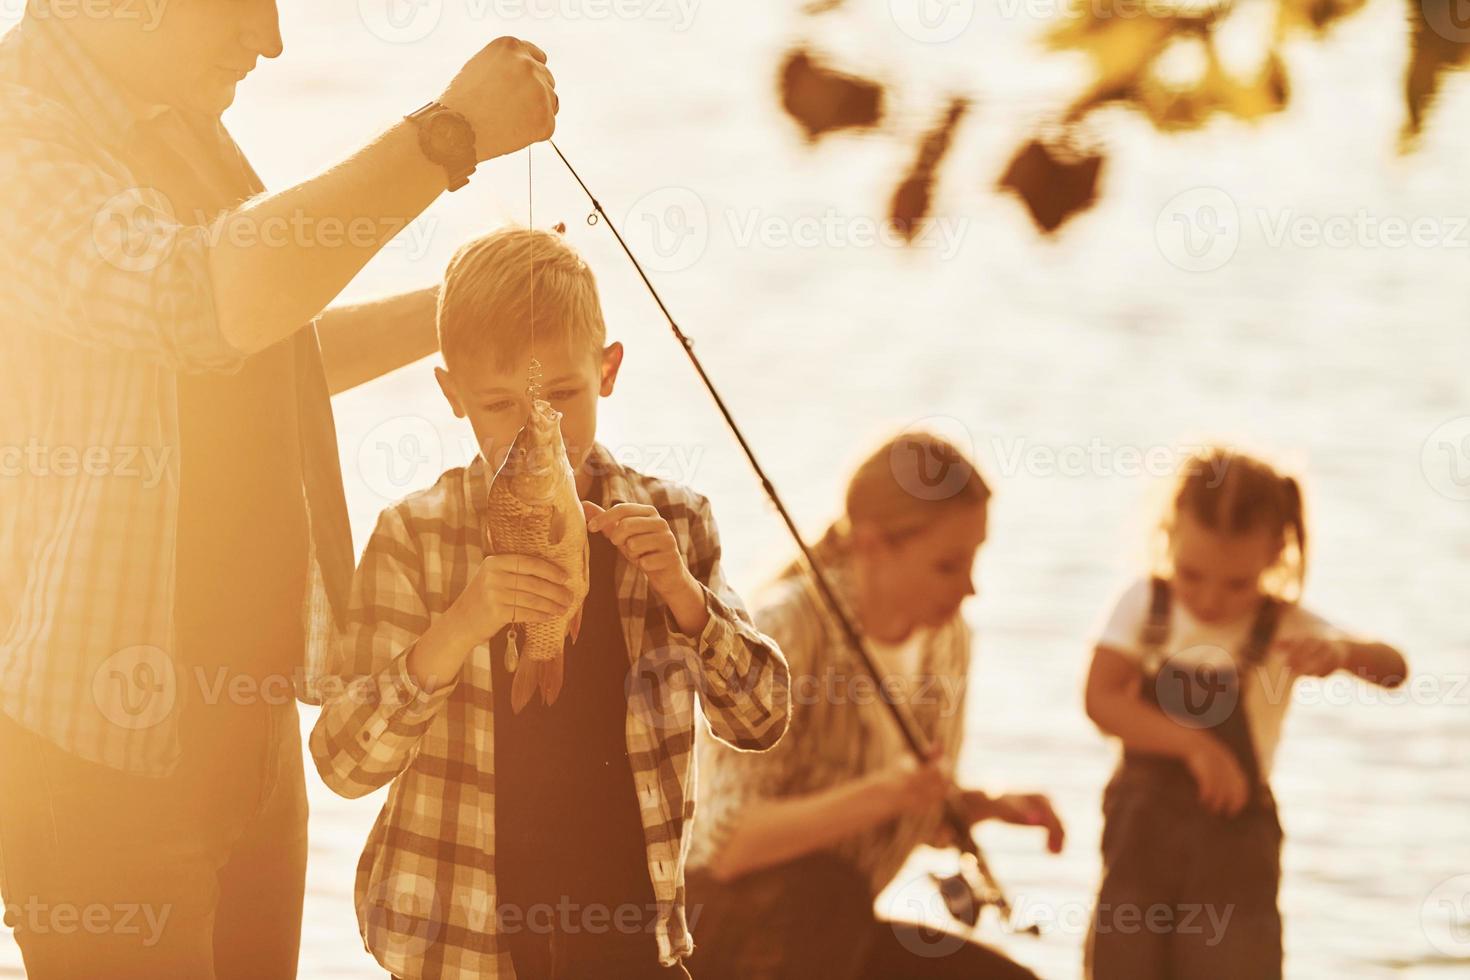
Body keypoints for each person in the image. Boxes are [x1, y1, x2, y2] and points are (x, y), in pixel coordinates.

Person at [0, 3, 557, 976]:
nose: (270, 43)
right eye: (244, 6)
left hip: (244, 734)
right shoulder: (21, 139)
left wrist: (462, 309)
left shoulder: (165, 114)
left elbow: (264, 345)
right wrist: (446, 139)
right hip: (102, 770)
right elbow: (203, 299)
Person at [309, 227, 792, 979]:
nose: (540, 428)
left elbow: (761, 718)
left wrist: (687, 599)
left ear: (608, 370)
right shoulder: (415, 535)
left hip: (631, 944)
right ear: (452, 395)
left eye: (562, 394)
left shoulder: (677, 522)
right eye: (500, 404)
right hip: (455, 949)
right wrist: (460, 626)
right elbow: (342, 764)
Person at [685, 432, 1061, 980]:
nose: (971, 587)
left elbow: (893, 809)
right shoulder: (786, 628)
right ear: (871, 546)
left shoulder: (948, 636)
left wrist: (976, 806)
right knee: (826, 891)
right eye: (948, 565)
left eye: (975, 559)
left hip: (834, 933)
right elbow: (730, 846)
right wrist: (887, 795)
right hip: (723, 929)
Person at [1082, 447, 1408, 979]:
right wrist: (1195, 746)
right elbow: (1101, 699)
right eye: (1192, 574)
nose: (1210, 599)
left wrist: (1343, 654)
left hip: (1234, 858)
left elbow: (1394, 669)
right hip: (1140, 852)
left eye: (1236, 583)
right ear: (1168, 534)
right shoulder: (1145, 605)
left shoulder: (1282, 624)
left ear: (1275, 557)